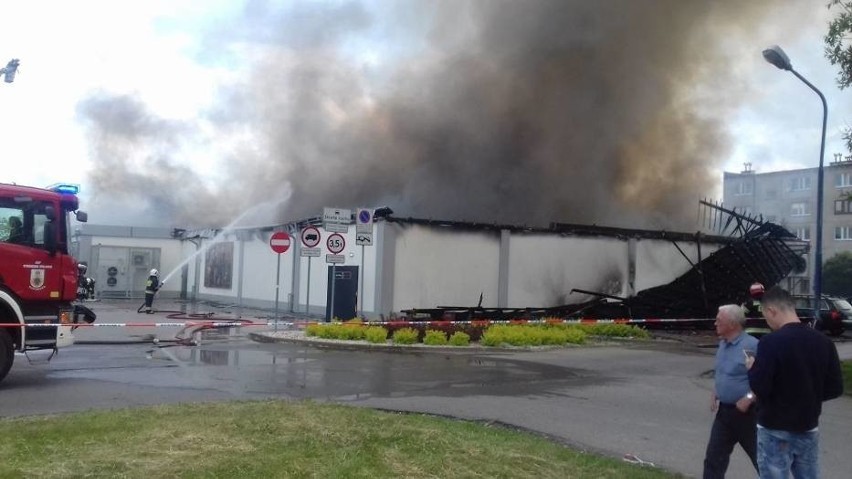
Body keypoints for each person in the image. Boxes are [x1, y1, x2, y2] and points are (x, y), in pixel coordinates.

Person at [746, 286, 843, 478]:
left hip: (774, 427)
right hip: (808, 426)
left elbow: (760, 388)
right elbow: (835, 388)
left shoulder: (770, 342)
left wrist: (752, 369)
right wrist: (810, 395)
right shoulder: (824, 342)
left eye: (766, 316)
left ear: (772, 310)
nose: (767, 322)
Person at [703, 304, 759, 478]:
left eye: (719, 320)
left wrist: (749, 398)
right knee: (713, 459)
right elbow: (724, 372)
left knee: (762, 460)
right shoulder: (723, 344)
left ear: (732, 324)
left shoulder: (752, 346)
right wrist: (716, 391)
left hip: (748, 415)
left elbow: (766, 380)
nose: (715, 323)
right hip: (724, 414)